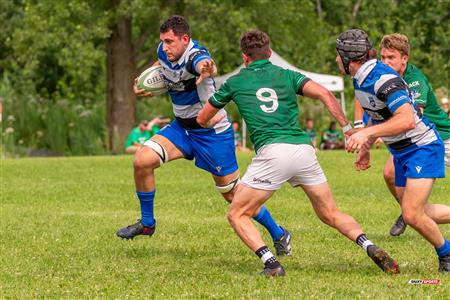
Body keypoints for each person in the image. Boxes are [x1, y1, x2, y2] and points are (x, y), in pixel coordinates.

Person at [197, 30, 399, 276]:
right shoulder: (286, 74)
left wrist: (211, 119)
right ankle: (369, 245)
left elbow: (202, 118)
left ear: (244, 57)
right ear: (269, 53)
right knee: (330, 213)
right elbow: (325, 94)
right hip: (304, 151)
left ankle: (271, 264)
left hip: (273, 153)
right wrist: (347, 129)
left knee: (237, 213)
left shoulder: (234, 82)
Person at [116, 16, 291, 257]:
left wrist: (207, 69)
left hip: (212, 134)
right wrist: (146, 80)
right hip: (181, 129)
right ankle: (147, 223)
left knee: (233, 195)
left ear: (185, 39)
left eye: (170, 42)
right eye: (163, 42)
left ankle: (279, 232)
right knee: (142, 161)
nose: (165, 47)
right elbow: (160, 63)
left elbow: (206, 64)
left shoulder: (195, 56)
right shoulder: (164, 51)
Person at [336, 29, 449, 272]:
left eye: (338, 56)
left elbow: (407, 119)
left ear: (349, 59)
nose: (335, 60)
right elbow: (376, 114)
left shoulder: (383, 79)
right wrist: (365, 147)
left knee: (411, 213)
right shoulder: (360, 78)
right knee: (420, 212)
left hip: (422, 147)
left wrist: (366, 134)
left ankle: (447, 255)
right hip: (400, 151)